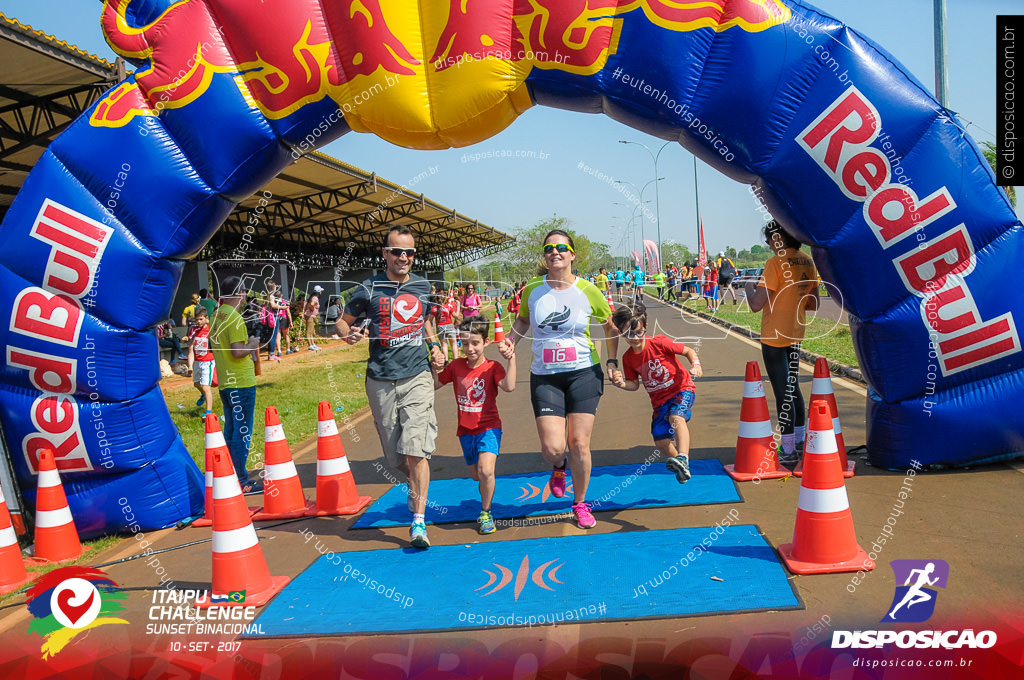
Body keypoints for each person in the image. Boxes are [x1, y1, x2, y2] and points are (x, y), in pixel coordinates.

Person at [499, 229, 618, 529]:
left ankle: (579, 503)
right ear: (545, 255)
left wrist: (613, 360)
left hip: (584, 373)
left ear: (572, 255)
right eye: (550, 247)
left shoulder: (589, 290)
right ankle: (558, 466)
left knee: (579, 443)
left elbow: (610, 326)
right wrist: (512, 340)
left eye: (562, 247)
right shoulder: (532, 290)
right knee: (553, 448)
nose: (555, 252)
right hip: (545, 376)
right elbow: (524, 319)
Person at [336, 225, 446, 548]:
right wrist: (349, 333)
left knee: (416, 449)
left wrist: (436, 348)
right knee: (397, 457)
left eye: (409, 252)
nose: (403, 258)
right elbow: (343, 320)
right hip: (380, 378)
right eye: (397, 251)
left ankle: (419, 522)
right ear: (385, 253)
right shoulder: (369, 289)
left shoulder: (423, 286)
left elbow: (427, 322)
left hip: (417, 376)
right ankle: (415, 490)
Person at [432, 318, 517, 535]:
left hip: (489, 427)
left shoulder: (493, 367)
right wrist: (434, 367)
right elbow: (435, 384)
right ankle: (484, 497)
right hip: (465, 431)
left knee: (486, 471)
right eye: (465, 343)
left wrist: (512, 360)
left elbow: (509, 387)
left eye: (475, 343)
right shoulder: (456, 366)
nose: (470, 348)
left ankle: (486, 512)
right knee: (476, 475)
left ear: (486, 342)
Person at [745, 220, 819, 463]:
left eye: (768, 240)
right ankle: (799, 440)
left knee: (782, 393)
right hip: (796, 333)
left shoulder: (774, 263)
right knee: (793, 387)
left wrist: (748, 287)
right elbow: (814, 303)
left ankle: (787, 451)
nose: (767, 245)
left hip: (774, 336)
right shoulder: (808, 261)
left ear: (777, 239)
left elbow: (756, 304)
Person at [609, 303, 702, 483]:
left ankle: (683, 457)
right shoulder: (627, 358)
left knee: (676, 418)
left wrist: (696, 365)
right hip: (659, 401)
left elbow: (688, 350)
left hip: (681, 389)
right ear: (621, 333)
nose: (634, 338)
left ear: (645, 328)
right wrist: (620, 383)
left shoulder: (659, 342)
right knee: (661, 441)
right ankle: (682, 468)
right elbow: (634, 384)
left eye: (638, 332)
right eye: (628, 334)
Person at [209, 275, 262, 493]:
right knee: (241, 432)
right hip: (240, 382)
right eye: (244, 293)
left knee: (231, 430)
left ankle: (231, 475)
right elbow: (238, 351)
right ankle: (241, 480)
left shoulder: (216, 316)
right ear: (239, 294)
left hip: (226, 382)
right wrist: (252, 343)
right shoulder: (235, 318)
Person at [187, 306, 215, 415]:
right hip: (197, 362)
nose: (198, 322)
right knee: (196, 384)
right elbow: (191, 349)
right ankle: (203, 395)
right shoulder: (194, 330)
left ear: (206, 318)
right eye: (197, 319)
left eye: (201, 319)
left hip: (207, 361)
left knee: (205, 386)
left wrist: (208, 321)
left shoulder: (210, 329)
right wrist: (190, 366)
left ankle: (208, 413)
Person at [432, 291, 459, 362]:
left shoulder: (434, 308)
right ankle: (455, 359)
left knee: (444, 344)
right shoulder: (448, 307)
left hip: (440, 326)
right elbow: (456, 316)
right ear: (444, 299)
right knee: (453, 343)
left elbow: (430, 319)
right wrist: (458, 306)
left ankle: (446, 360)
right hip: (449, 325)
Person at [304, 285, 323, 351]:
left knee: (311, 331)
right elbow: (312, 304)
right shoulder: (315, 298)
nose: (321, 292)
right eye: (321, 291)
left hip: (311, 316)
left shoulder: (313, 297)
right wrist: (312, 309)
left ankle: (313, 344)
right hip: (310, 316)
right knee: (309, 331)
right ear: (319, 292)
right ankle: (310, 345)